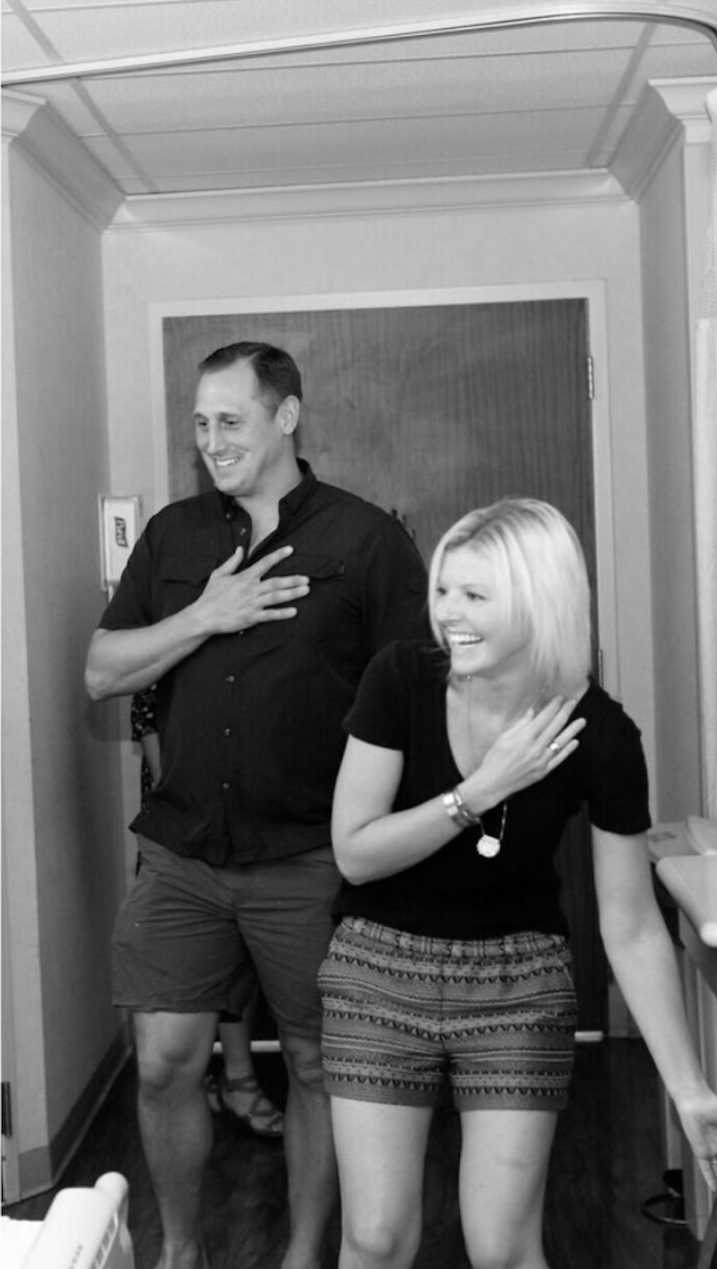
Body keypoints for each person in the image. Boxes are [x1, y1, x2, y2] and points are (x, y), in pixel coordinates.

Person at [318, 497, 717, 1269]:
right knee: (375, 1236)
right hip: (378, 969)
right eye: (445, 590)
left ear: (538, 602)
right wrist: (479, 791)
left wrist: (690, 1091)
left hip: (516, 981)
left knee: (502, 1246)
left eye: (475, 595)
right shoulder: (398, 681)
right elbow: (354, 852)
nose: (448, 612)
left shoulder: (602, 734)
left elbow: (628, 925)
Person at [85, 341, 429, 1269]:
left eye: (229, 420)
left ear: (287, 416)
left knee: (318, 1066)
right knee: (161, 1060)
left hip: (311, 859)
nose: (211, 441)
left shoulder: (365, 540)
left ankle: (304, 1251)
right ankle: (184, 1248)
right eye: (199, 424)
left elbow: (416, 697)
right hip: (185, 854)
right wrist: (206, 613)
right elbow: (99, 669)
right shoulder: (173, 537)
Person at [131, 685, 283, 1140]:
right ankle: (217, 1086)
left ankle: (239, 1079)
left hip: (249, 833)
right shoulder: (164, 638)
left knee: (239, 960)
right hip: (182, 835)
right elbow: (153, 741)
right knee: (185, 984)